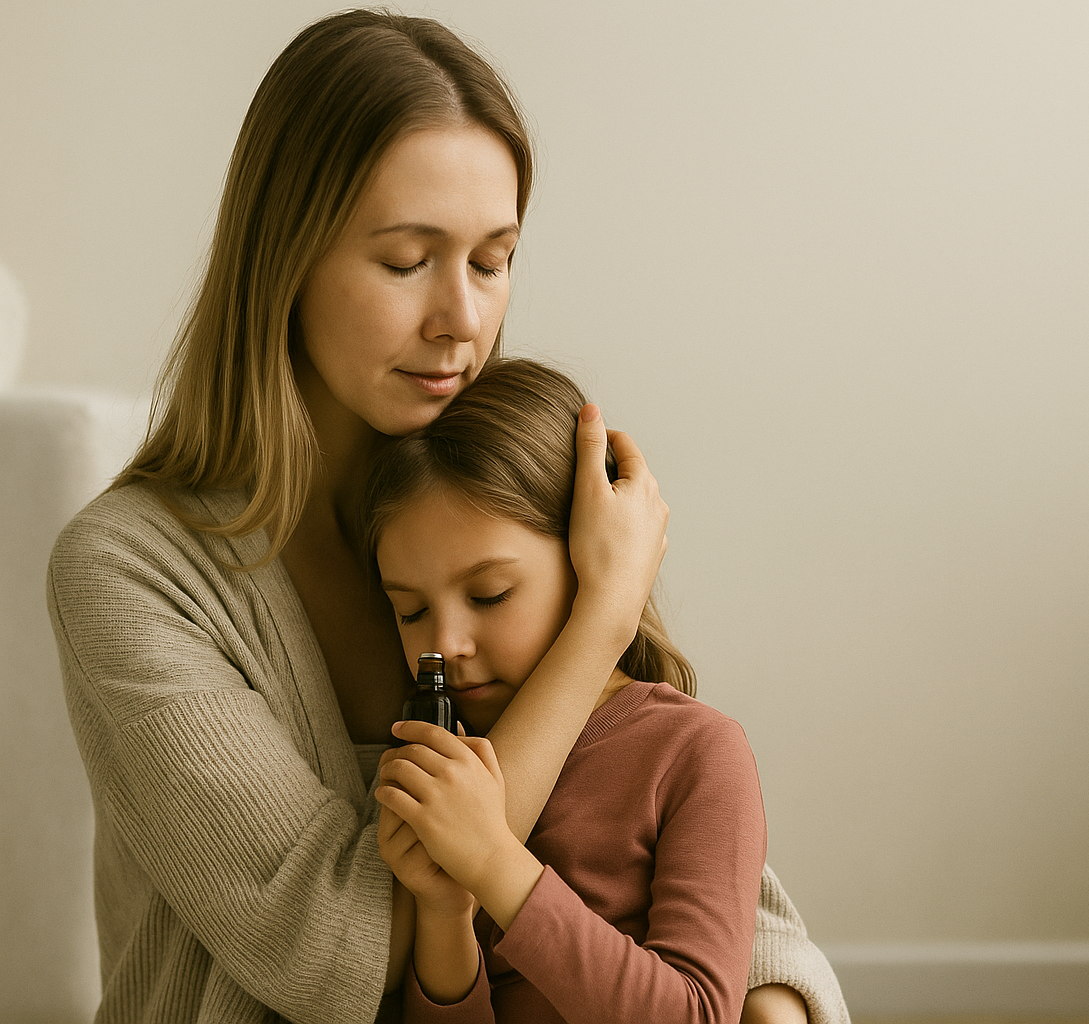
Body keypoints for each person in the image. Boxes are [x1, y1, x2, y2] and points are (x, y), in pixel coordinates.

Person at [45, 10, 846, 1024]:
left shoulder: (490, 493)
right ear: (284, 259)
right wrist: (603, 611)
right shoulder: (128, 574)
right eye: (405, 260)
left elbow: (669, 811)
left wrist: (772, 993)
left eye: (491, 259)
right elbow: (334, 952)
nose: (462, 322)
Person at [363, 358, 765, 1023]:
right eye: (410, 611)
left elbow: (697, 1014)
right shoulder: (442, 762)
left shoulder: (695, 751)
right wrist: (443, 913)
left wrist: (492, 862)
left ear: (593, 560)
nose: (447, 642)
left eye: (490, 595)